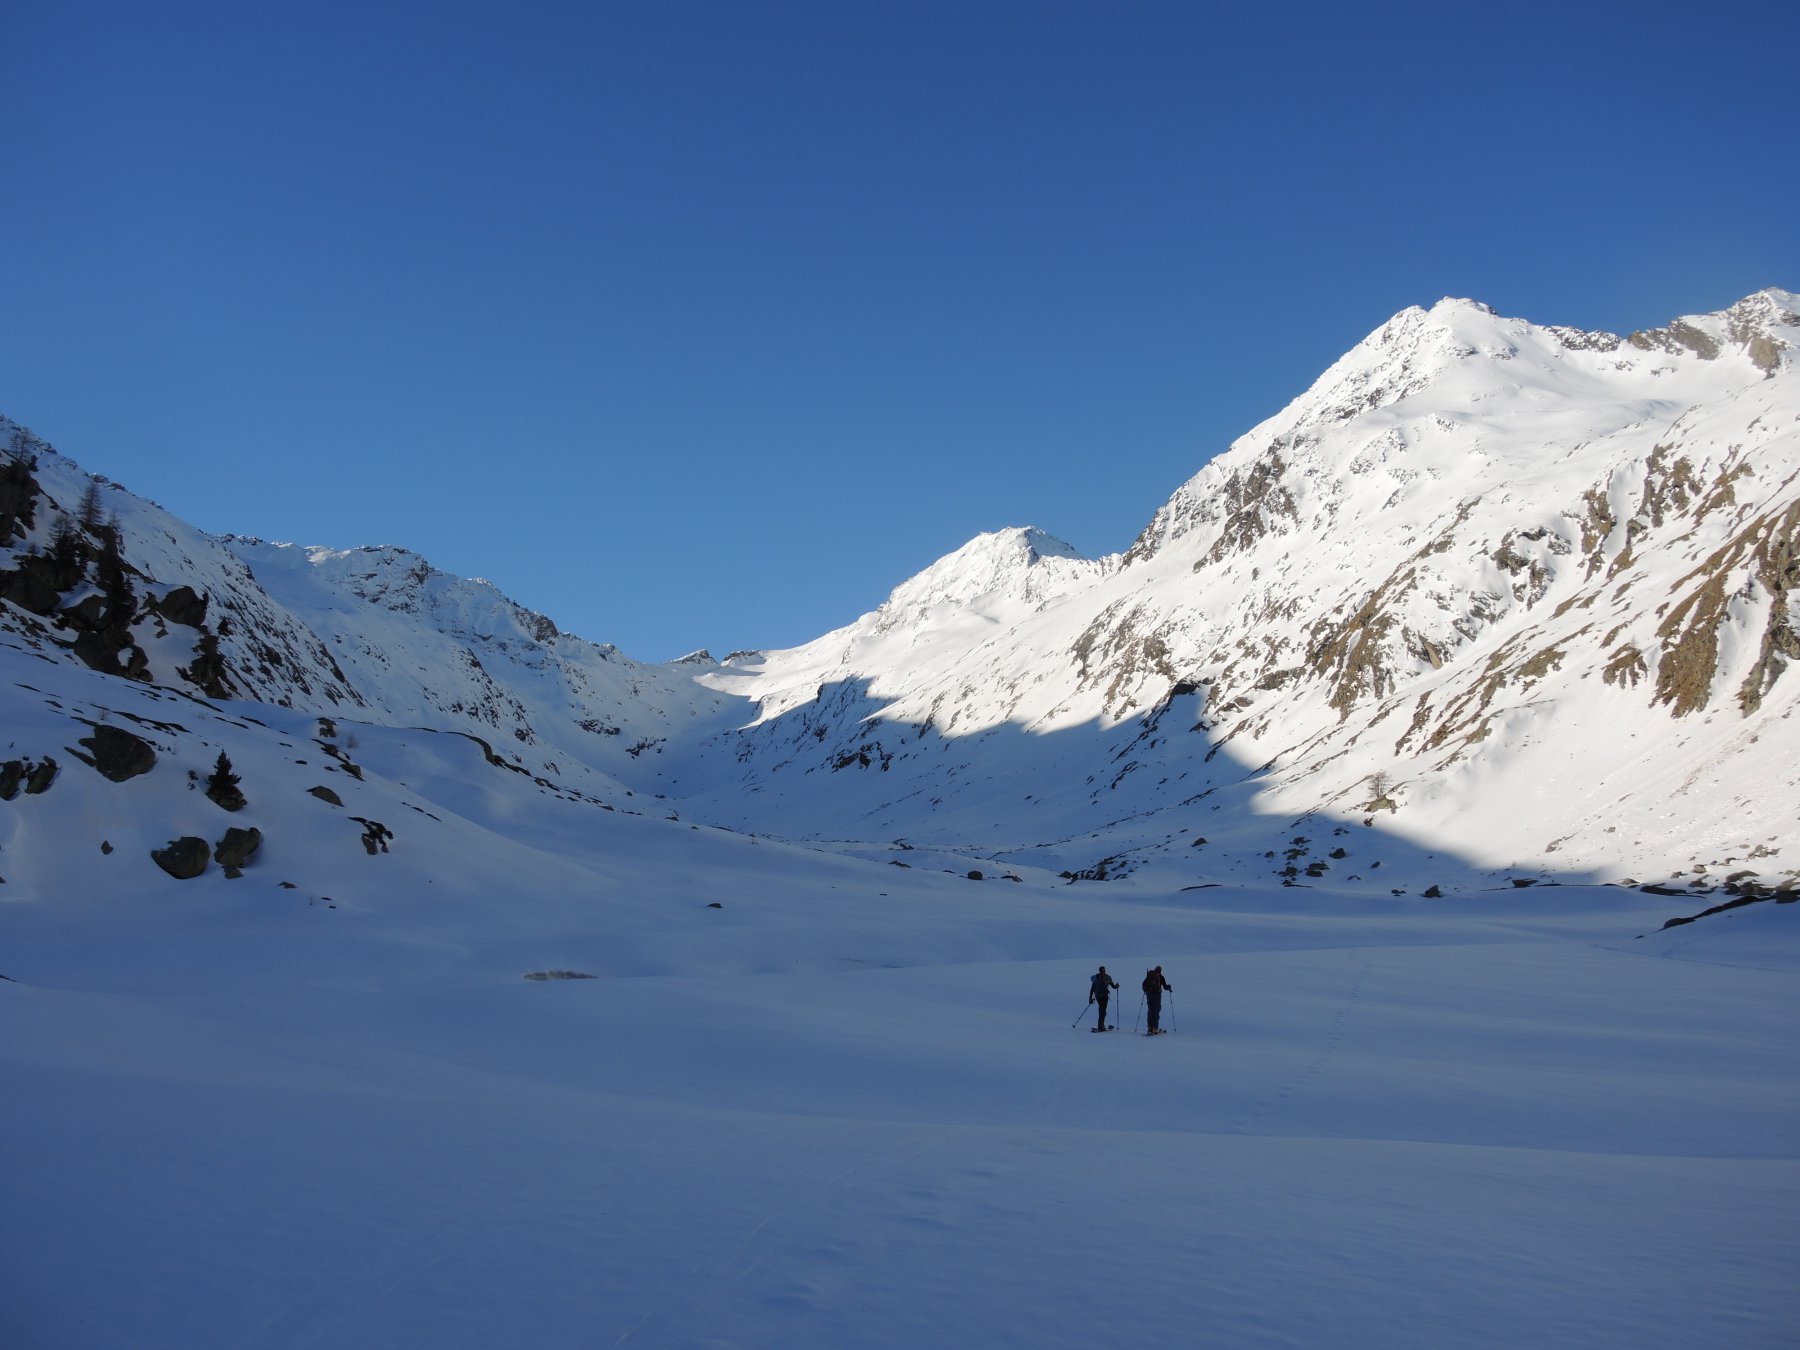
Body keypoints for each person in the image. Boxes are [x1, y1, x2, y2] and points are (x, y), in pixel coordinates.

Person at [1142, 966, 1172, 1034]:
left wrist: (1146, 990)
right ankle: (1155, 1028)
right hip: (1156, 995)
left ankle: (1149, 1027)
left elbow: (1144, 984)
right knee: (1156, 1011)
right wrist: (1169, 987)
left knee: (1150, 1010)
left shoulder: (1149, 975)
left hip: (1149, 994)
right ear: (1160, 971)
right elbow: (1165, 987)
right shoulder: (1161, 977)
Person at [1088, 966, 1119, 1031]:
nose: (1103, 972)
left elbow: (1092, 988)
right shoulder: (1107, 977)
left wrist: (1090, 997)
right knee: (1103, 1010)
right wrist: (1116, 986)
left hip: (1098, 996)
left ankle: (1101, 1025)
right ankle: (1101, 1026)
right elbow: (1113, 986)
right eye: (1103, 970)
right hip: (1104, 996)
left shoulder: (1096, 978)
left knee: (1102, 1010)